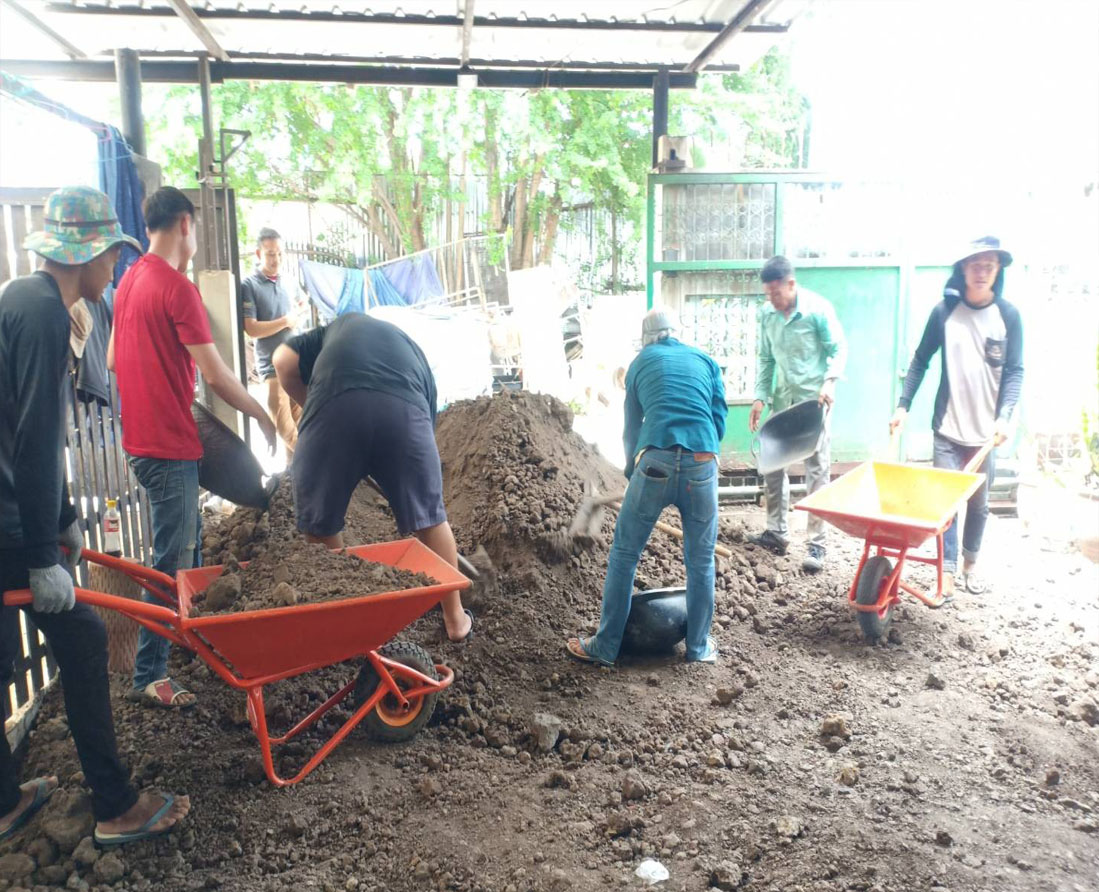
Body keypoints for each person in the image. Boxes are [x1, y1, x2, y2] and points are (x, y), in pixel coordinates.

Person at [0, 185, 190, 845]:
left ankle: (4, 801)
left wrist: (64, 520)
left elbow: (34, 436)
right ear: (87, 252)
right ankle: (115, 806)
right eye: (113, 251)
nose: (116, 265)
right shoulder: (46, 313)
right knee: (82, 639)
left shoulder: (29, 301)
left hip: (10, 514)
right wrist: (42, 556)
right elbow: (31, 437)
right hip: (4, 523)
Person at [110, 187, 276, 709]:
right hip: (169, 448)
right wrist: (258, 412)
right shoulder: (176, 289)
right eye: (197, 228)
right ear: (186, 224)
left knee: (190, 548)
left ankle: (200, 644)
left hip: (139, 443)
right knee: (172, 562)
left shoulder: (129, 281)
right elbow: (215, 374)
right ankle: (150, 675)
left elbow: (114, 359)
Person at [272, 312, 473, 642]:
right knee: (431, 518)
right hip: (405, 411)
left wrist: (315, 408)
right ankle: (455, 619)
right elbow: (425, 421)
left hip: (331, 410)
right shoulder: (411, 352)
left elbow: (282, 361)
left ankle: (346, 626)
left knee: (321, 526)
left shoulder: (327, 334)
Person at [566, 308, 726, 666]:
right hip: (703, 462)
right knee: (701, 562)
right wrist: (702, 455)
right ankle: (699, 649)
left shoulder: (640, 363)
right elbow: (718, 419)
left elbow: (631, 427)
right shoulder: (705, 360)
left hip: (655, 461)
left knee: (624, 555)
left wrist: (631, 472)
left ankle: (605, 647)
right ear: (676, 333)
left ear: (646, 339)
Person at [889, 236, 1023, 597]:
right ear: (963, 268)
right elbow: (920, 360)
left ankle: (970, 565)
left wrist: (1005, 416)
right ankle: (945, 572)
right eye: (975, 265)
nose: (982, 272)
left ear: (997, 271)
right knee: (945, 504)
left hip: (985, 434)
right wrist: (903, 405)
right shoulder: (944, 314)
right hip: (947, 430)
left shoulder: (1008, 316)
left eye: (989, 266)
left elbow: (1015, 371)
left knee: (979, 503)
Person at [748, 255, 847, 573]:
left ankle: (817, 544)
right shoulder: (768, 315)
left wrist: (830, 382)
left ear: (791, 285)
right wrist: (760, 397)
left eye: (776, 293)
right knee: (772, 464)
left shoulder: (818, 310)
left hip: (815, 403)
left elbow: (838, 349)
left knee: (817, 471)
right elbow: (766, 359)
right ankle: (777, 533)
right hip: (784, 401)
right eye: (767, 294)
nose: (771, 300)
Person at [241, 227, 303, 457]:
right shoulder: (249, 285)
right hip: (272, 367)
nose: (276, 259)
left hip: (297, 363)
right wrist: (285, 321)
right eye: (269, 254)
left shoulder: (290, 280)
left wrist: (296, 316)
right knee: (284, 427)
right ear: (259, 254)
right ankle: (315, 462)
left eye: (279, 253)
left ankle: (296, 480)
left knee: (301, 424)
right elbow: (251, 328)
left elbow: (301, 303)